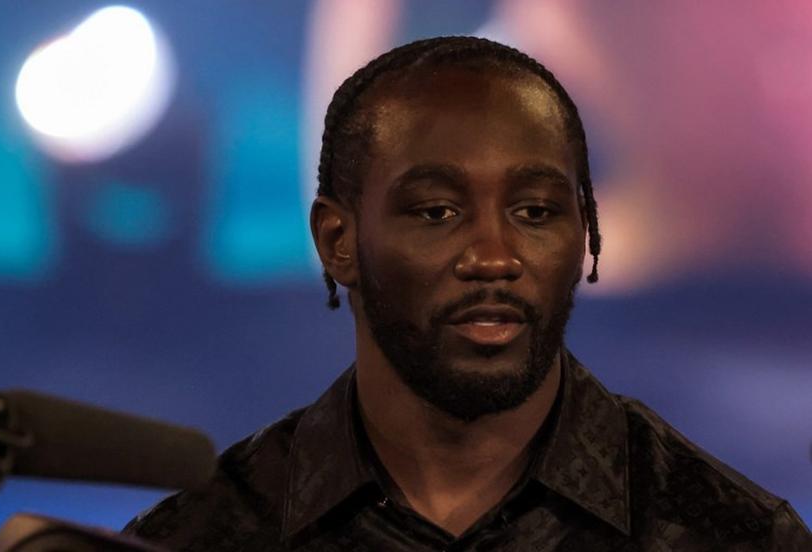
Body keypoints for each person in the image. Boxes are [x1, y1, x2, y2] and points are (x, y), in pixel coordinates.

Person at [124, 36, 811, 551]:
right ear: (338, 240)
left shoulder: (730, 535)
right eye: (437, 212)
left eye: (536, 211)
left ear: (586, 233)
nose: (493, 258)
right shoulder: (202, 536)